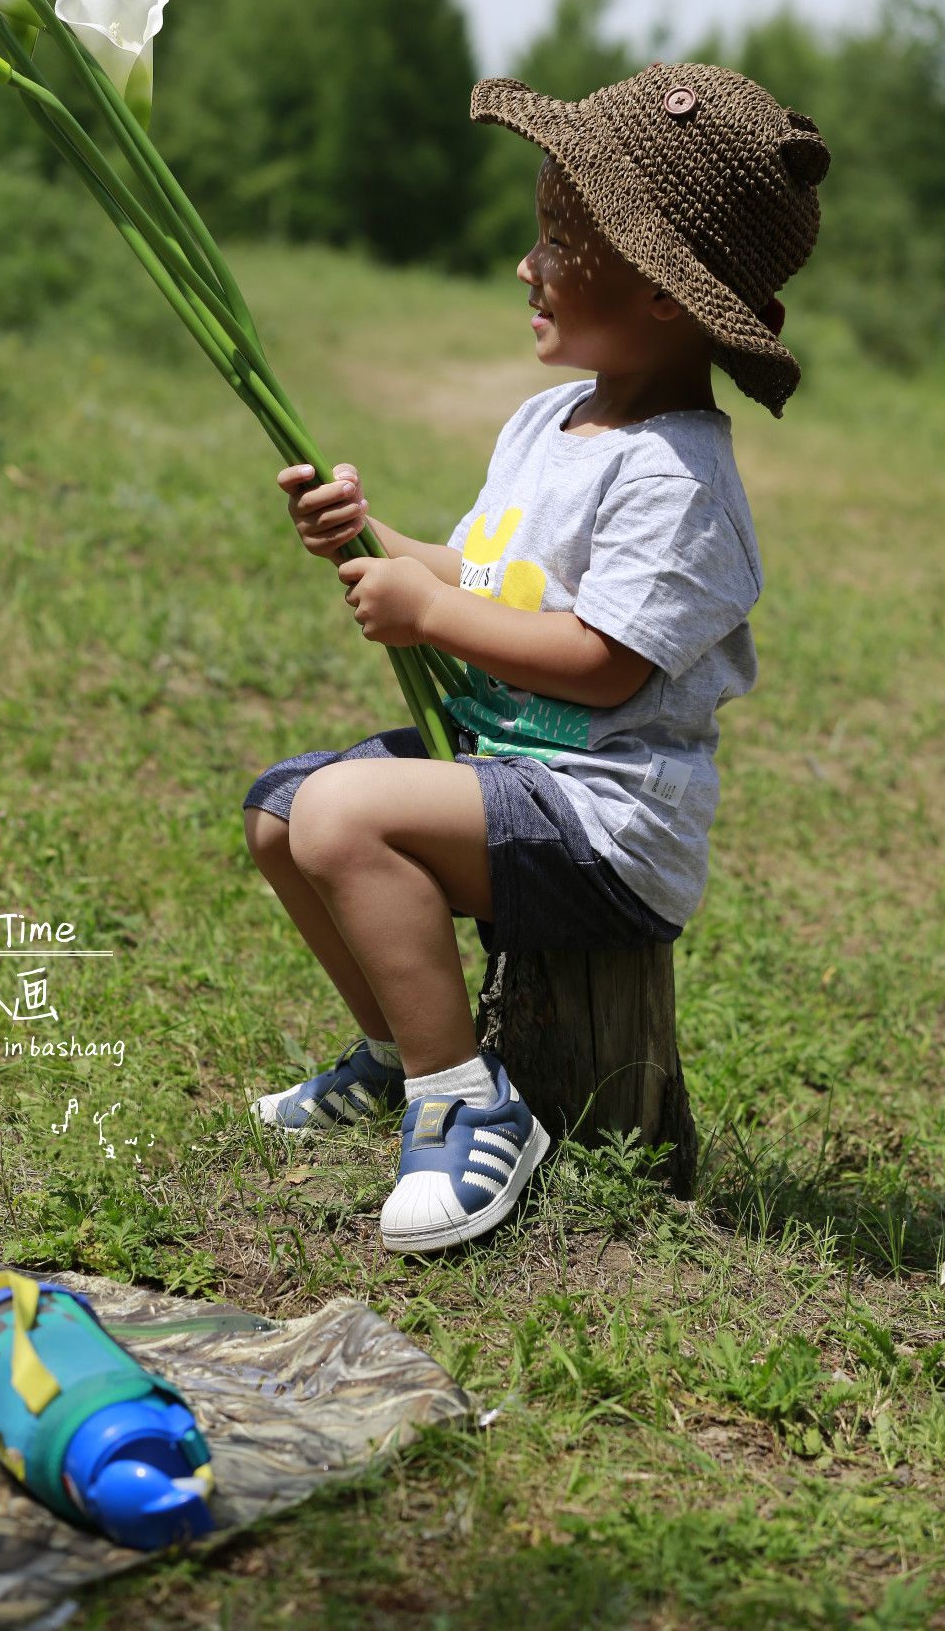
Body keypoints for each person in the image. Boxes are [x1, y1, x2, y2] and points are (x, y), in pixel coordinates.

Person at [241, 62, 831, 1256]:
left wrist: (430, 613)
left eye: (562, 235)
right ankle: (400, 1053)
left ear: (664, 290)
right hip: (514, 775)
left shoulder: (677, 478)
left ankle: (471, 1102)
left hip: (609, 819)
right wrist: (375, 539)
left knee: (345, 815)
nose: (530, 260)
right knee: (280, 814)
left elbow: (603, 664)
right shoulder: (545, 423)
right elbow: (481, 575)